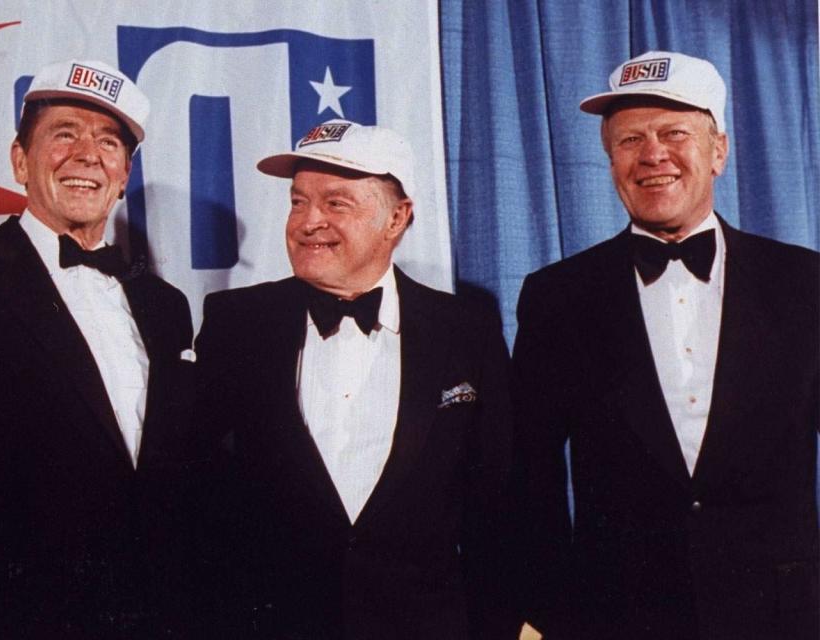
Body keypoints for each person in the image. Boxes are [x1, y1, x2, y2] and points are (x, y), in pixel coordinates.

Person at [0, 59, 208, 639]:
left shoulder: (165, 305)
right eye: (64, 134)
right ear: (20, 161)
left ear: (124, 174)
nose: (86, 155)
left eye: (107, 142)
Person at [513, 51, 819, 640]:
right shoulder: (557, 296)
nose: (652, 154)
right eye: (630, 140)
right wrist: (547, 613)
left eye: (674, 133)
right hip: (617, 616)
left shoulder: (806, 284)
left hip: (783, 614)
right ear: (610, 162)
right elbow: (533, 477)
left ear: (719, 152)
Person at [195, 119, 521, 639]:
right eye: (298, 202)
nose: (308, 221)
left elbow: (498, 507)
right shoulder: (235, 323)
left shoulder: (466, 331)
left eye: (336, 204)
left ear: (397, 218)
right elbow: (200, 502)